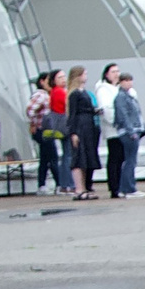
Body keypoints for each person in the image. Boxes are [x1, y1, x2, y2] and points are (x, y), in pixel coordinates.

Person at [63, 66, 101, 200]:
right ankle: (79, 188)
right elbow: (72, 114)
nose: (86, 76)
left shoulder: (83, 92)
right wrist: (73, 132)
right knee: (79, 157)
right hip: (80, 127)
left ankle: (84, 187)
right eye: (84, 74)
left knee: (85, 157)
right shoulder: (74, 94)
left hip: (88, 126)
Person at [111, 69, 145, 198]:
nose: (129, 83)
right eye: (126, 80)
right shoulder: (121, 97)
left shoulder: (129, 96)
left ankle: (126, 187)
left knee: (130, 160)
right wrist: (131, 131)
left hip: (133, 130)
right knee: (130, 161)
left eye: (130, 80)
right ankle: (129, 188)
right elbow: (123, 115)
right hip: (128, 132)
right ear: (120, 82)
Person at [28, 73, 63, 195]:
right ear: (42, 82)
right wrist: (34, 123)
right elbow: (30, 110)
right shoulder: (41, 95)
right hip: (43, 130)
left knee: (45, 158)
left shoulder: (48, 95)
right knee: (52, 156)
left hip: (46, 130)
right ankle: (59, 184)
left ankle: (42, 185)